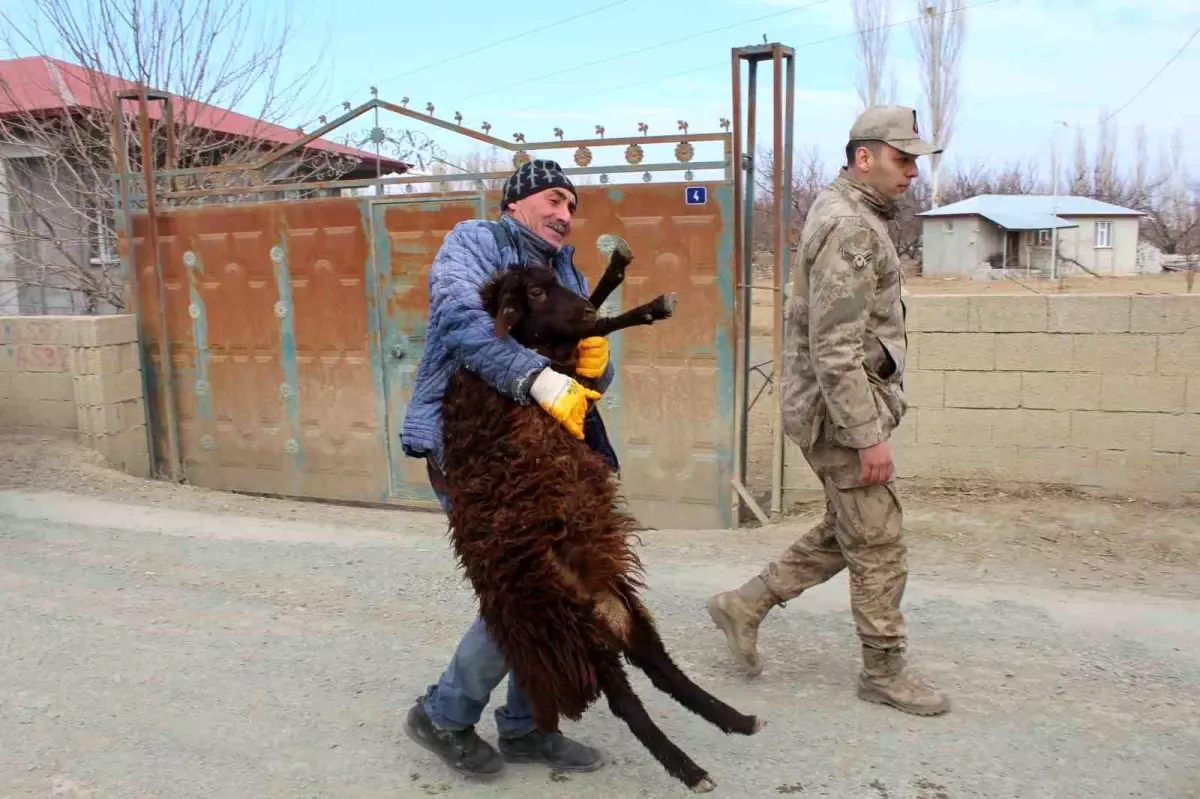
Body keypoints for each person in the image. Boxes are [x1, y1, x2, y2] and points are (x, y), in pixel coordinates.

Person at [706, 105, 950, 717]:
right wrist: (868, 436)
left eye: (915, 161)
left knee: (853, 526)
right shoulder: (853, 227)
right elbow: (835, 347)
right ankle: (883, 671)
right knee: (879, 539)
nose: (912, 172)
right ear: (863, 157)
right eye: (903, 159)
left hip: (832, 409)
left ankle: (744, 604)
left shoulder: (850, 212)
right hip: (839, 415)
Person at [398, 158, 615, 778]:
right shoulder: (475, 243)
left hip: (544, 457)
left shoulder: (568, 270)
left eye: (573, 207)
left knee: (560, 581)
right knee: (522, 589)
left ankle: (525, 726)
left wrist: (597, 365)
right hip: (472, 453)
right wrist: (534, 376)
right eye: (554, 199)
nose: (565, 215)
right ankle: (443, 713)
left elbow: (583, 375)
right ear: (517, 201)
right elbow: (459, 321)